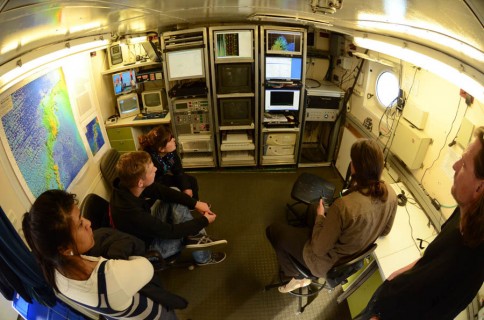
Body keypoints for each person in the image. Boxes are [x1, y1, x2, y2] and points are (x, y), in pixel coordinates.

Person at [355, 126, 484, 320]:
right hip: (386, 298)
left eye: (464, 164)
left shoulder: (467, 262)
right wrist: (402, 273)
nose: (455, 166)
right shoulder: (465, 212)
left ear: (480, 187)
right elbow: (430, 259)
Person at [21, 189, 178, 319]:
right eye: (80, 224)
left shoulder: (55, 272)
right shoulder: (112, 276)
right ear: (63, 249)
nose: (88, 222)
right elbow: (147, 267)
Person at [266, 138, 397, 293]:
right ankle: (305, 242)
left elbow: (319, 250)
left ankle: (298, 277)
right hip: (347, 259)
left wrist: (321, 216)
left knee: (274, 230)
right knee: (314, 208)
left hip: (325, 263)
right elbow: (385, 231)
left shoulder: (343, 206)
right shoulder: (391, 194)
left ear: (354, 167)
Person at [110, 150, 226, 266]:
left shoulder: (128, 184)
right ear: (140, 182)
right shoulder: (131, 213)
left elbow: (162, 192)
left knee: (174, 192)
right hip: (148, 249)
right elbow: (170, 232)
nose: (156, 169)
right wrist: (204, 221)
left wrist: (195, 203)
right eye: (151, 170)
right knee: (184, 234)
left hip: (148, 231)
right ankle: (204, 257)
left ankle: (195, 237)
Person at [139, 125, 199, 199]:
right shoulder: (148, 158)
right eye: (170, 140)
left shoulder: (170, 152)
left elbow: (178, 170)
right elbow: (152, 184)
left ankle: (194, 203)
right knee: (175, 191)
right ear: (161, 149)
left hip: (162, 178)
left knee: (191, 181)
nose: (174, 140)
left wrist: (186, 188)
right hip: (153, 184)